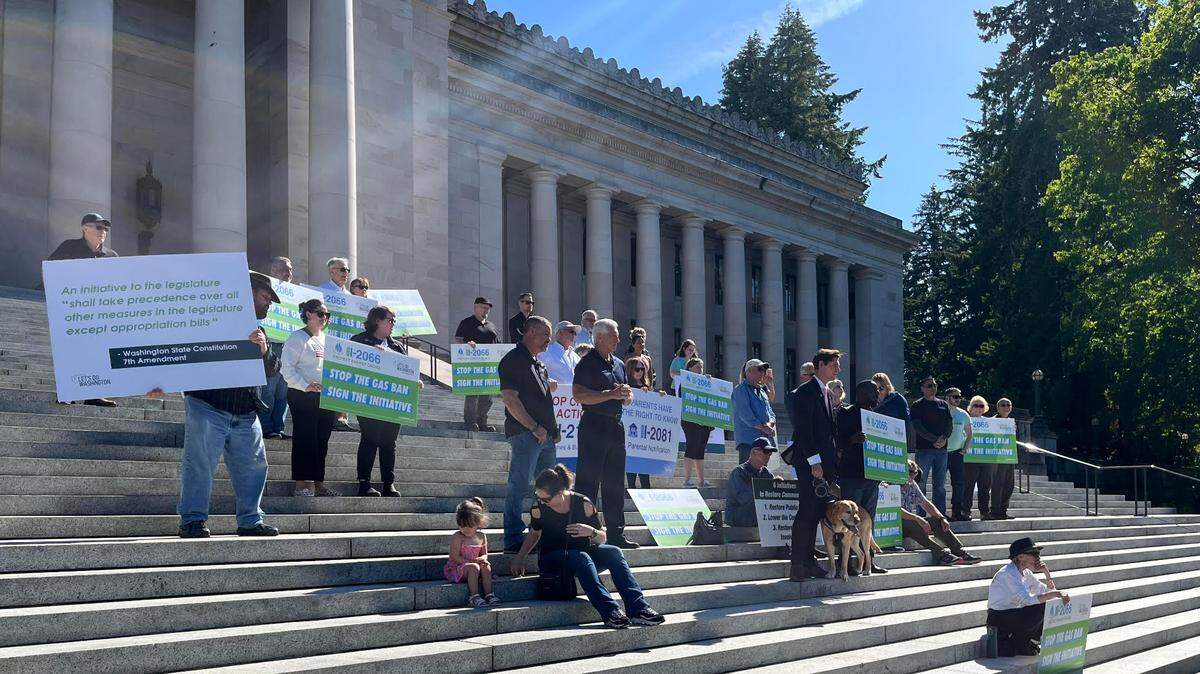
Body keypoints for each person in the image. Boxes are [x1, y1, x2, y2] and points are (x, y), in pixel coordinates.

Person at [172, 271, 281, 538]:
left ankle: (250, 521)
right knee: (199, 464)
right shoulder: (211, 320)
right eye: (265, 297)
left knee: (255, 467)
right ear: (248, 293)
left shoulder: (260, 332)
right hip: (208, 404)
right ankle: (193, 520)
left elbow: (272, 370)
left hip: (245, 411)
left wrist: (265, 350)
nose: (268, 303)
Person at [510, 465, 665, 629]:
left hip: (582, 555)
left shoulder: (583, 504)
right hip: (554, 558)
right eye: (539, 497)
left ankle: (638, 608)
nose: (542, 501)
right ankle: (611, 612)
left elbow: (602, 538)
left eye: (546, 499)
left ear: (561, 492)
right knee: (580, 556)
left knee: (613, 551)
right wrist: (519, 558)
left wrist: (590, 532)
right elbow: (534, 534)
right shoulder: (538, 508)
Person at [572, 318, 639, 549]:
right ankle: (583, 533)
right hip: (593, 425)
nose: (618, 340)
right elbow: (579, 395)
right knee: (588, 482)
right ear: (599, 337)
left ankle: (616, 534)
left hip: (615, 426)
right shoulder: (587, 363)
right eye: (614, 336)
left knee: (615, 483)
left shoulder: (620, 364)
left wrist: (627, 396)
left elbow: (624, 394)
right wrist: (609, 394)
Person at [497, 315, 559, 552]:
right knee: (519, 485)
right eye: (545, 336)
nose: (548, 342)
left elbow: (545, 401)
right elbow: (510, 400)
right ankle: (513, 537)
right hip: (525, 434)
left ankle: (544, 531)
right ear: (531, 332)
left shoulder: (538, 363)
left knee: (550, 488)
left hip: (544, 436)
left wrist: (552, 430)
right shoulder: (513, 360)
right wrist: (534, 427)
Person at [47, 213, 119, 407]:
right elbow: (51, 272)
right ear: (85, 229)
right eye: (98, 227)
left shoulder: (112, 256)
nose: (102, 232)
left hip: (100, 314)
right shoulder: (69, 248)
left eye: (105, 228)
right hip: (73, 312)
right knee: (72, 352)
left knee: (98, 353)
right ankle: (68, 393)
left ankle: (94, 395)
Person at [785, 348, 842, 582]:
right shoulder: (805, 392)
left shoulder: (827, 393)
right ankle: (798, 564)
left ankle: (808, 562)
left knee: (816, 511)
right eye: (833, 364)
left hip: (824, 464)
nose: (837, 369)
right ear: (819, 365)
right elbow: (804, 430)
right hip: (811, 463)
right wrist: (814, 462)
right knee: (807, 511)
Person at [351, 305, 414, 497]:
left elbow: (407, 370)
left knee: (389, 442)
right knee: (369, 439)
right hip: (368, 401)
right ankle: (364, 483)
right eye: (390, 320)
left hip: (392, 402)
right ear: (377, 320)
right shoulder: (359, 340)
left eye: (394, 320)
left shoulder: (397, 346)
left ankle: (388, 483)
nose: (393, 324)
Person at [281, 298, 339, 497]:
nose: (325, 318)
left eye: (327, 315)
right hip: (302, 395)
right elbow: (286, 369)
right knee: (305, 438)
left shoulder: (325, 339)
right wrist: (305, 386)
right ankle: (301, 483)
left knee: (322, 439)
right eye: (321, 314)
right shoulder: (297, 338)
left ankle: (318, 481)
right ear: (309, 314)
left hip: (324, 396)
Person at [835, 380, 888, 574]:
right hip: (852, 475)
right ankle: (846, 562)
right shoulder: (845, 414)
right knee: (848, 522)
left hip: (872, 477)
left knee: (868, 522)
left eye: (879, 391)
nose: (877, 395)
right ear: (861, 393)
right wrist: (852, 440)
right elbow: (838, 442)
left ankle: (868, 561)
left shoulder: (878, 418)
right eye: (873, 391)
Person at [988, 537, 1070, 657]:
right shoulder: (1007, 574)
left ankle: (1028, 642)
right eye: (1034, 554)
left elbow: (1046, 592)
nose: (1038, 558)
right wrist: (1056, 593)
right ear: (1020, 557)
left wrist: (1047, 574)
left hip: (1014, 614)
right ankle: (1022, 643)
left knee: (1047, 605)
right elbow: (1027, 600)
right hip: (998, 618)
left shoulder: (1026, 573)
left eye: (1038, 554)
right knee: (1039, 608)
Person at [901, 460, 981, 566]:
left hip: (910, 520)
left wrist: (941, 518)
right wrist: (917, 518)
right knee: (911, 524)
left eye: (915, 473)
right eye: (910, 473)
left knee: (936, 521)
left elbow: (926, 504)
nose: (913, 476)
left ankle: (960, 552)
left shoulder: (912, 484)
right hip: (894, 524)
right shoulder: (889, 485)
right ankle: (942, 555)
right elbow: (895, 510)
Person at [259, 256, 294, 439]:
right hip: (271, 345)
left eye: (290, 270)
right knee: (268, 389)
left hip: (290, 347)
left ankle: (278, 427)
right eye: (285, 269)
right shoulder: (265, 290)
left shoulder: (296, 294)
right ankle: (266, 427)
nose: (289, 273)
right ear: (273, 270)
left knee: (284, 390)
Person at [454, 297, 501, 432]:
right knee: (472, 394)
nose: (486, 310)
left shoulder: (492, 326)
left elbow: (498, 345)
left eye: (488, 308)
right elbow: (458, 339)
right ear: (475, 307)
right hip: (473, 366)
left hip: (490, 366)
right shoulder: (467, 323)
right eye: (483, 307)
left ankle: (482, 422)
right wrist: (467, 344)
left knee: (487, 397)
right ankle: (470, 422)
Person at [445, 497, 499, 608]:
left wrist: (483, 559)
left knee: (486, 566)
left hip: (475, 565)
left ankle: (489, 594)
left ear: (478, 523)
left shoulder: (481, 536)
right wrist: (471, 561)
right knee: (474, 567)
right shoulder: (458, 536)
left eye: (469, 526)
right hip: (458, 568)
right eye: (462, 525)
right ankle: (474, 596)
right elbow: (454, 557)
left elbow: (484, 554)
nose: (465, 529)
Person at [911, 376, 953, 515]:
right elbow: (917, 426)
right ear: (922, 388)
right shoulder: (918, 405)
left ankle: (939, 514)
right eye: (929, 385)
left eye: (935, 385)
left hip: (942, 450)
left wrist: (944, 438)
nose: (933, 388)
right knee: (921, 483)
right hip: (924, 450)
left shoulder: (943, 404)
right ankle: (921, 514)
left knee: (940, 485)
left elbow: (949, 424)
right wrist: (934, 439)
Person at [726, 437, 777, 527]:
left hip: (755, 514)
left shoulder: (766, 473)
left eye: (770, 452)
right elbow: (745, 499)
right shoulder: (739, 472)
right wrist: (770, 489)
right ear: (754, 452)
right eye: (766, 451)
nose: (769, 455)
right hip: (738, 515)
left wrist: (779, 486)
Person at [733, 358, 777, 463]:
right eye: (760, 369)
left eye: (764, 370)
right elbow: (745, 414)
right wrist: (763, 427)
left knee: (760, 475)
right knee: (748, 475)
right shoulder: (740, 389)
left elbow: (771, 413)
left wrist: (769, 424)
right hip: (748, 442)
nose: (763, 373)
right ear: (749, 371)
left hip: (764, 442)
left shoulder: (762, 391)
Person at [680, 357, 714, 487]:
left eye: (702, 367)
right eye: (697, 367)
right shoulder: (685, 382)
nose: (700, 370)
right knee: (692, 446)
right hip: (690, 420)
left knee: (700, 449)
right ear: (689, 368)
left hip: (704, 420)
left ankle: (701, 480)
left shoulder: (705, 381)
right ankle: (687, 479)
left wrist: (710, 383)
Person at [962, 395, 997, 521]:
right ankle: (965, 511)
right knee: (968, 486)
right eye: (975, 405)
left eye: (981, 405)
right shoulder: (966, 420)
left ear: (985, 408)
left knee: (985, 487)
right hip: (970, 458)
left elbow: (997, 439)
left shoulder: (990, 423)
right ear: (970, 408)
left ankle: (984, 512)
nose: (978, 408)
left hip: (986, 459)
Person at [624, 354, 654, 490]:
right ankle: (630, 489)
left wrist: (659, 396)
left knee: (644, 465)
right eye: (637, 369)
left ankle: (646, 490)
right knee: (631, 463)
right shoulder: (625, 386)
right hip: (628, 430)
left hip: (644, 432)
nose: (640, 372)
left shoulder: (647, 387)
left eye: (642, 369)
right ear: (630, 370)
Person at [944, 387, 974, 521]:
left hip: (957, 453)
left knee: (959, 483)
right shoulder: (941, 411)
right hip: (941, 453)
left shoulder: (963, 414)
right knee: (939, 484)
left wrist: (964, 449)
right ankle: (940, 513)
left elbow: (970, 434)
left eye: (959, 397)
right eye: (954, 396)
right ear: (947, 398)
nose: (958, 399)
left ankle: (957, 512)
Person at [991, 398, 1017, 520]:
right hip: (996, 457)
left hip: (1009, 456)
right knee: (998, 484)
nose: (1006, 407)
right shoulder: (992, 421)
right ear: (998, 407)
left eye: (1008, 405)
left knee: (1009, 485)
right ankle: (995, 511)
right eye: (1003, 405)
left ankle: (1003, 510)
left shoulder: (1012, 422)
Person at [538, 320, 580, 386]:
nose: (574, 335)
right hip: (553, 395)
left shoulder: (576, 356)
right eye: (571, 331)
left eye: (575, 333)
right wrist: (547, 381)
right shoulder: (546, 351)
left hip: (571, 395)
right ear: (560, 333)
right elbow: (535, 372)